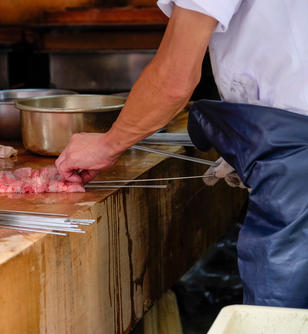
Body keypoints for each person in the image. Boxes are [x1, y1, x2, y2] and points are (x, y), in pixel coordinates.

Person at [56, 1, 308, 308]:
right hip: (289, 143)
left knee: (281, 320)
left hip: (297, 161)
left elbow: (173, 80)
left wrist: (108, 145)